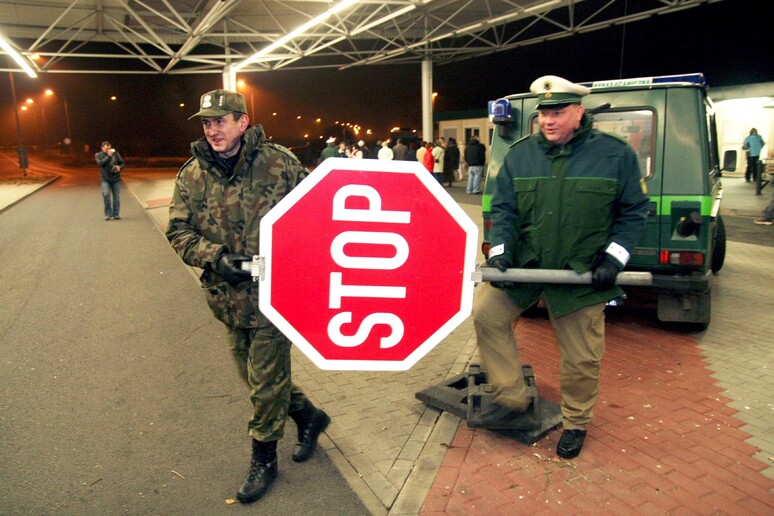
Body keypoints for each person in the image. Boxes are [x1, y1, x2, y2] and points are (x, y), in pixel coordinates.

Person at [166, 89, 330, 504]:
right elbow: (178, 232)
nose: (212, 129)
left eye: (220, 121)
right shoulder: (192, 174)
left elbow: (318, 213)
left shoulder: (280, 163)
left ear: (243, 122)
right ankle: (309, 416)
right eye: (206, 122)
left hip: (275, 298)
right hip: (226, 297)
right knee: (256, 378)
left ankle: (263, 460)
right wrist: (215, 257)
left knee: (263, 387)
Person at [472, 75, 649, 459]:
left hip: (581, 272)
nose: (549, 120)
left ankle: (576, 422)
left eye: (558, 112)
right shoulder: (520, 155)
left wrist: (614, 258)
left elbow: (634, 211)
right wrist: (501, 251)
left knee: (581, 356)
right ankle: (511, 396)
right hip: (526, 266)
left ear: (579, 112)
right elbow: (503, 209)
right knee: (486, 314)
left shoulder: (614, 155)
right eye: (544, 113)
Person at [94, 141, 125, 220]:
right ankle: (108, 214)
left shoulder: (116, 154)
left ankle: (116, 214)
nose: (108, 150)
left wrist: (120, 167)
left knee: (116, 197)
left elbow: (122, 163)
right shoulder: (98, 155)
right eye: (106, 148)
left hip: (116, 178)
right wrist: (108, 156)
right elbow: (100, 163)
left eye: (109, 148)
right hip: (105, 179)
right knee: (106, 195)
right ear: (102, 148)